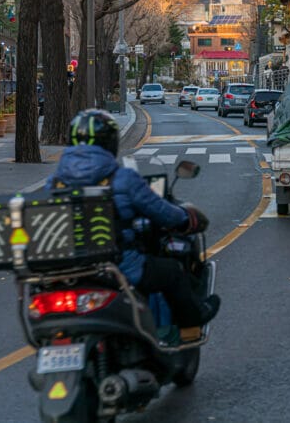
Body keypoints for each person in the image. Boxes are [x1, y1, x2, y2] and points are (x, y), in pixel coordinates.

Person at [46, 109, 220, 331]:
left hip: (68, 269)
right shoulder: (123, 178)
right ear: (110, 143)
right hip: (118, 266)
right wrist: (186, 217)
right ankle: (192, 317)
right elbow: (164, 213)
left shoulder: (54, 183)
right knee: (172, 272)